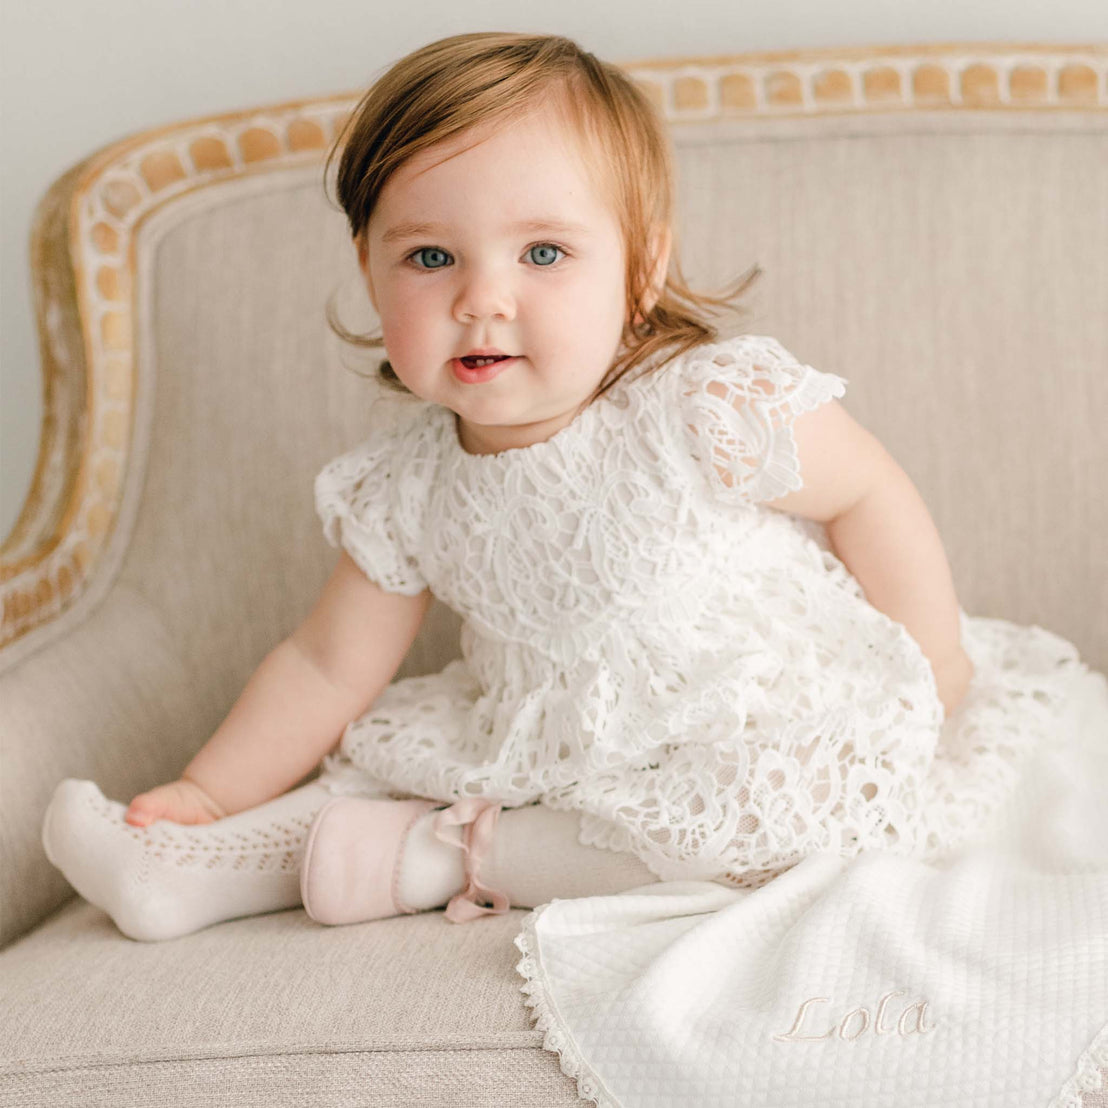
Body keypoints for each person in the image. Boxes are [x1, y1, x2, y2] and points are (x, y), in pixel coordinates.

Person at [42, 31, 1089, 944]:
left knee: (774, 815)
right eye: (430, 256)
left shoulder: (702, 408)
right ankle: (184, 869)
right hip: (555, 740)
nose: (482, 299)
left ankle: (435, 860)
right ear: (368, 270)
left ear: (638, 270)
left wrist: (935, 660)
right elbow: (324, 666)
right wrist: (205, 788)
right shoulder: (405, 487)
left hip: (756, 714)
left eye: (543, 252)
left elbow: (872, 494)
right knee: (364, 767)